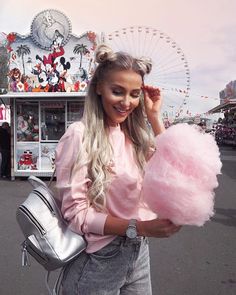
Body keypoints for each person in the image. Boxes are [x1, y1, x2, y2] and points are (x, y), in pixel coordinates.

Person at [55, 44, 181, 295]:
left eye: (135, 94)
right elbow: (75, 214)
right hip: (99, 259)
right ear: (99, 88)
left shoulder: (135, 137)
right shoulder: (79, 136)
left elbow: (173, 166)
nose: (127, 102)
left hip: (137, 252)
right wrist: (139, 227)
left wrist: (154, 117)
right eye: (117, 91)